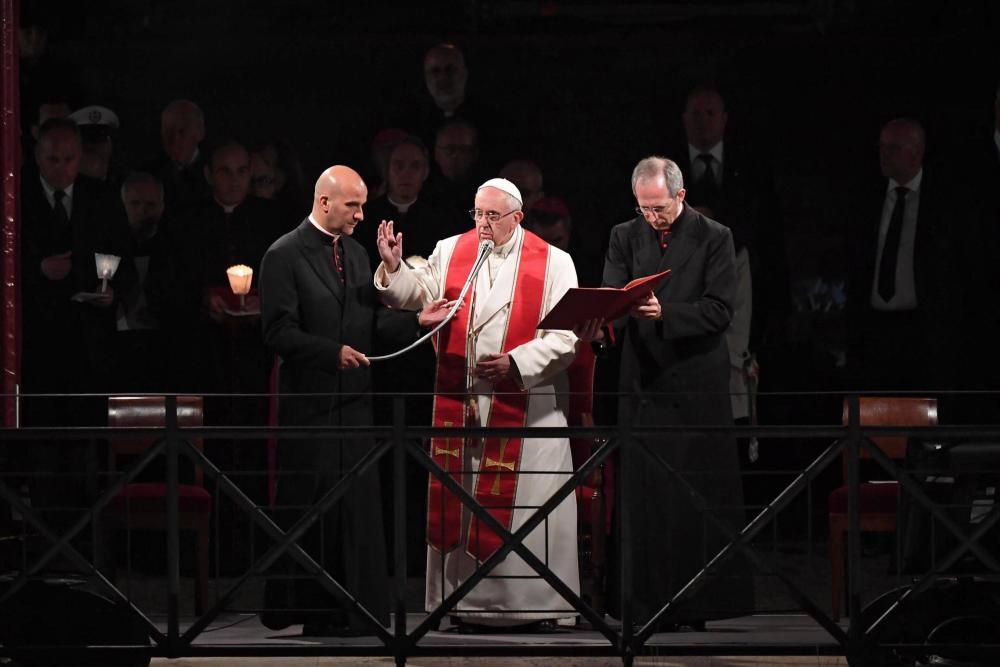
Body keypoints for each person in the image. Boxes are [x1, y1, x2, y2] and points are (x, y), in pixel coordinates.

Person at [373, 177, 581, 632]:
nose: (483, 224)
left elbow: (567, 338)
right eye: (477, 214)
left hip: (526, 406)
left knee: (527, 509)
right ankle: (463, 603)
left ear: (517, 217)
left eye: (492, 216)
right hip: (463, 402)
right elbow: (419, 291)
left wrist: (516, 362)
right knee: (465, 505)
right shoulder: (452, 249)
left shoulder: (554, 262)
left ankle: (535, 605)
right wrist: (393, 268)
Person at [259, 165, 447, 636]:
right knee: (316, 511)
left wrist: (416, 321)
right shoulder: (282, 254)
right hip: (312, 408)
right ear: (324, 203)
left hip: (356, 408)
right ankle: (314, 612)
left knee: (357, 513)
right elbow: (277, 332)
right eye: (353, 205)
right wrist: (330, 353)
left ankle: (356, 615)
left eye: (363, 205)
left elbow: (370, 325)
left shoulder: (359, 254)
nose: (363, 214)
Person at [595, 156, 753, 629]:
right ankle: (640, 605)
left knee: (692, 497)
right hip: (642, 383)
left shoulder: (714, 236)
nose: (652, 218)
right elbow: (613, 293)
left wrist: (667, 314)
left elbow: (720, 309)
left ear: (680, 196)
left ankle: (697, 604)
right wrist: (603, 323)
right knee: (644, 499)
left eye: (660, 208)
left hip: (694, 384)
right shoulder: (624, 235)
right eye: (644, 209)